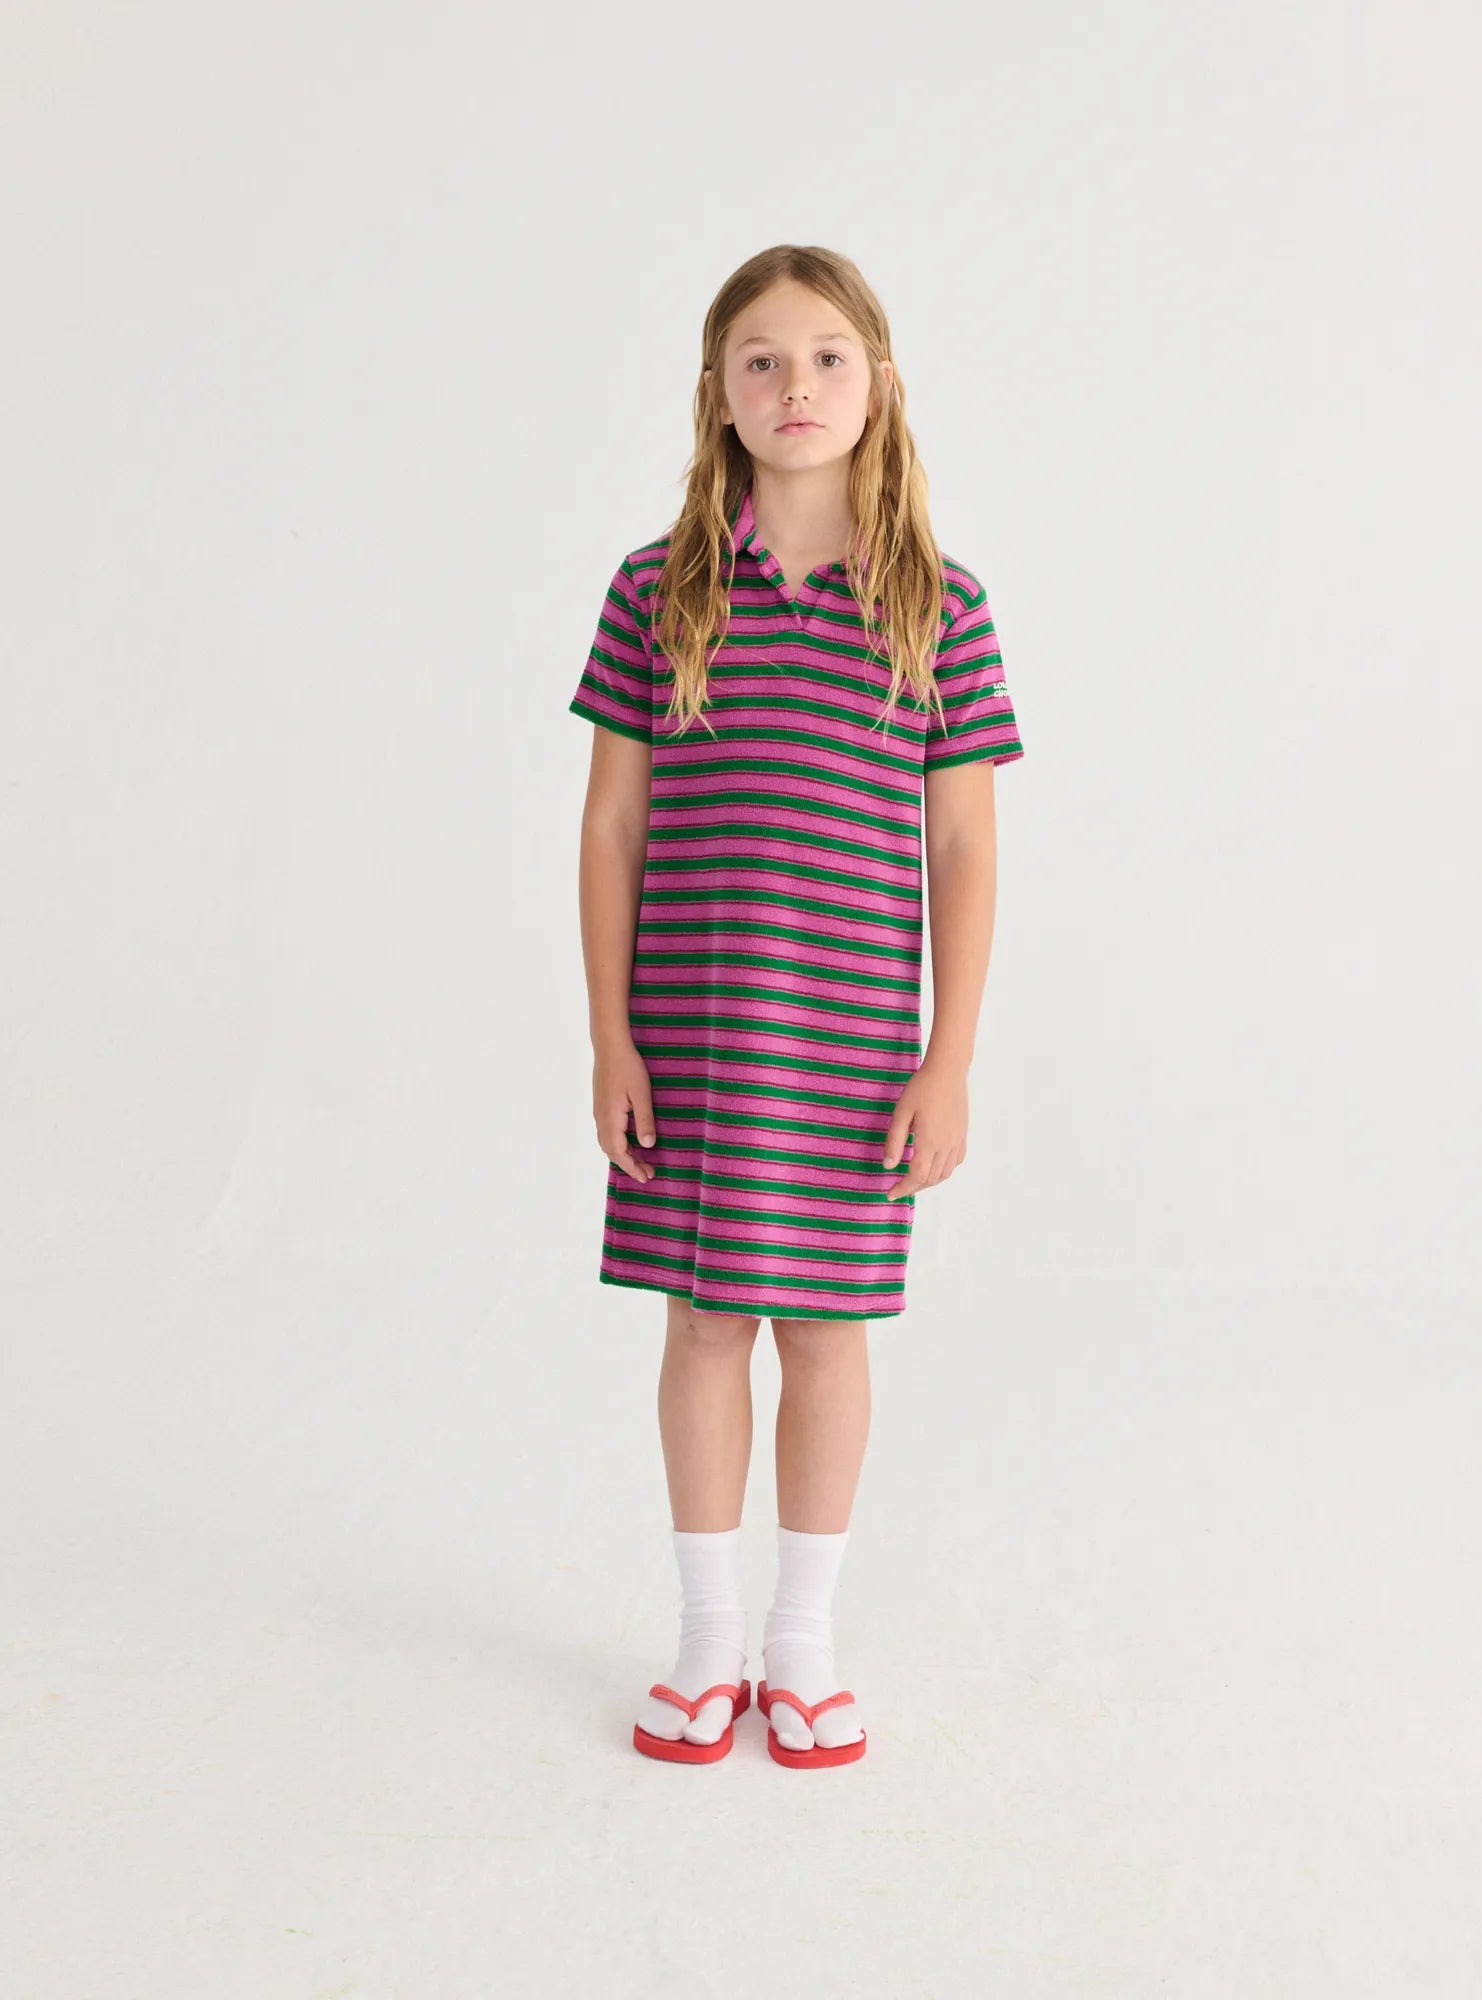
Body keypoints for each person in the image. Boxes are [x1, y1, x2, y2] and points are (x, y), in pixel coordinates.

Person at [569, 244, 1024, 1768]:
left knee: (827, 1332)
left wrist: (949, 1061)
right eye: (761, 360)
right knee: (706, 1324)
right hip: (691, 1037)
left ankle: (805, 1641)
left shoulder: (939, 605)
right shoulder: (657, 593)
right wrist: (610, 1036)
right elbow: (614, 826)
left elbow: (963, 846)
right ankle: (709, 1639)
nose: (796, 387)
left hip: (851, 1051)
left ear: (878, 385)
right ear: (717, 394)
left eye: (828, 358)